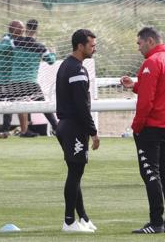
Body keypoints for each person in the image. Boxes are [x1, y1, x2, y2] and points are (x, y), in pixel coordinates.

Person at [121, 27, 165, 234]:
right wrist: (135, 85)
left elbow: (146, 102)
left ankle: (156, 222)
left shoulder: (152, 62)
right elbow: (163, 89)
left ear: (149, 41)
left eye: (139, 43)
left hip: (151, 127)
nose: (138, 48)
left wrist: (136, 127)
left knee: (150, 172)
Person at [55, 29, 99, 233]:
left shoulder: (68, 65)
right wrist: (93, 131)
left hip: (66, 125)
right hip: (73, 127)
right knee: (75, 172)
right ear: (80, 46)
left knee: (76, 171)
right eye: (91, 45)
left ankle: (83, 218)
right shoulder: (77, 71)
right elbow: (82, 106)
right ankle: (69, 221)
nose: (94, 48)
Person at [0, 21, 32, 137]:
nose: (23, 30)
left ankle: (24, 131)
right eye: (21, 28)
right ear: (13, 29)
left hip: (14, 78)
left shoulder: (19, 41)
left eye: (24, 28)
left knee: (21, 102)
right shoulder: (6, 39)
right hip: (2, 79)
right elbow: (0, 48)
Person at [13, 19, 58, 135]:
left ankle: (23, 131)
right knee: (42, 105)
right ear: (36, 30)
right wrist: (53, 53)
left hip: (14, 80)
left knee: (18, 105)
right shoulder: (40, 47)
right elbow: (51, 61)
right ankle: (56, 127)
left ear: (26, 28)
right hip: (29, 81)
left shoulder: (15, 43)